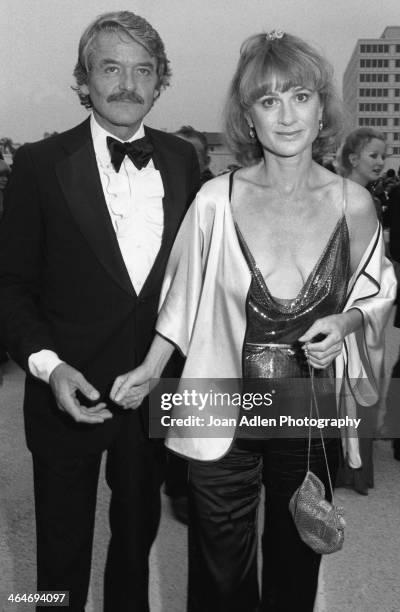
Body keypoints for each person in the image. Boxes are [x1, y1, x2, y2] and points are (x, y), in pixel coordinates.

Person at [111, 31, 396, 611]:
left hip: (308, 404)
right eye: (269, 101)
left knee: (297, 557)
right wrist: (150, 368)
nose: (286, 115)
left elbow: (376, 288)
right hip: (218, 399)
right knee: (218, 569)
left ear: (322, 108)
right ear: (249, 116)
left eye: (299, 96)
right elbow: (182, 298)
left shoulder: (354, 204)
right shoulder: (216, 199)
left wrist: (344, 323)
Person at [0, 11, 199, 611]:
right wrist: (47, 367)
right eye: (110, 67)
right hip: (67, 390)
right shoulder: (38, 165)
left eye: (144, 70)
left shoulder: (184, 161)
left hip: (152, 389)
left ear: (161, 82)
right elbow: (11, 287)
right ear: (84, 80)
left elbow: (188, 279)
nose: (127, 84)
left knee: (136, 541)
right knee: (58, 553)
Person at [337, 127, 387, 494]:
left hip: (369, 303)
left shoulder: (372, 198)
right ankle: (342, 466)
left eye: (383, 155)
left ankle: (355, 467)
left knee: (364, 382)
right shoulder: (337, 196)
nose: (382, 161)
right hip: (344, 304)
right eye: (374, 155)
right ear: (353, 157)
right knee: (343, 384)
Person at [339, 127, 386, 222]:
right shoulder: (335, 199)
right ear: (354, 159)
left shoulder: (373, 202)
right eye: (373, 156)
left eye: (383, 157)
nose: (381, 162)